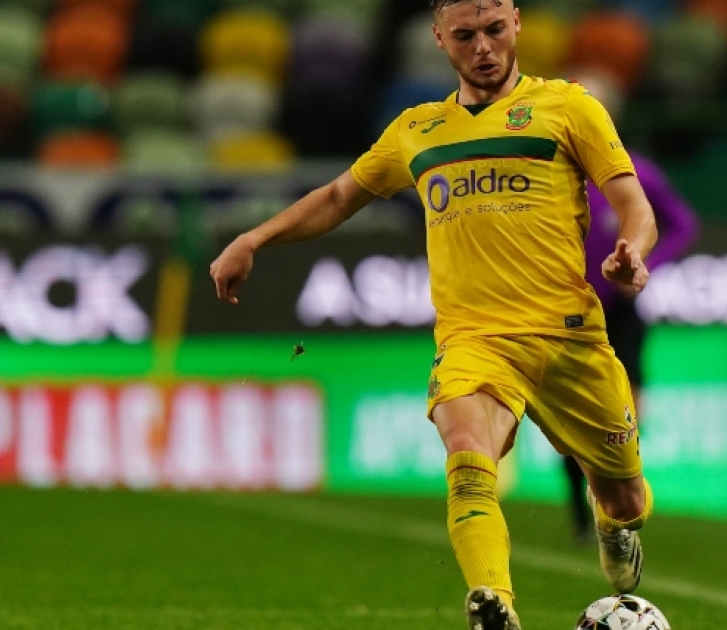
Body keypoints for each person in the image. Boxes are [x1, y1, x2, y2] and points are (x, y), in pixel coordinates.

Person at [210, 1, 657, 628]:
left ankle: (614, 525)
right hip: (475, 339)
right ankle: (494, 602)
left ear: (517, 24)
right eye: (466, 35)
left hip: (568, 337)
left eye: (494, 30)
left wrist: (632, 248)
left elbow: (634, 202)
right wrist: (254, 238)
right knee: (468, 454)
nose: (483, 47)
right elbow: (339, 196)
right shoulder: (417, 130)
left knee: (625, 494)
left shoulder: (569, 107)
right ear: (440, 39)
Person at [561, 151, 699, 545]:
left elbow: (682, 224)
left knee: (627, 409)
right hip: (569, 309)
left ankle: (618, 505)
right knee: (570, 413)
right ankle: (583, 513)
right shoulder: (553, 168)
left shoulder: (636, 172)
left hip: (620, 311)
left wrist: (645, 265)